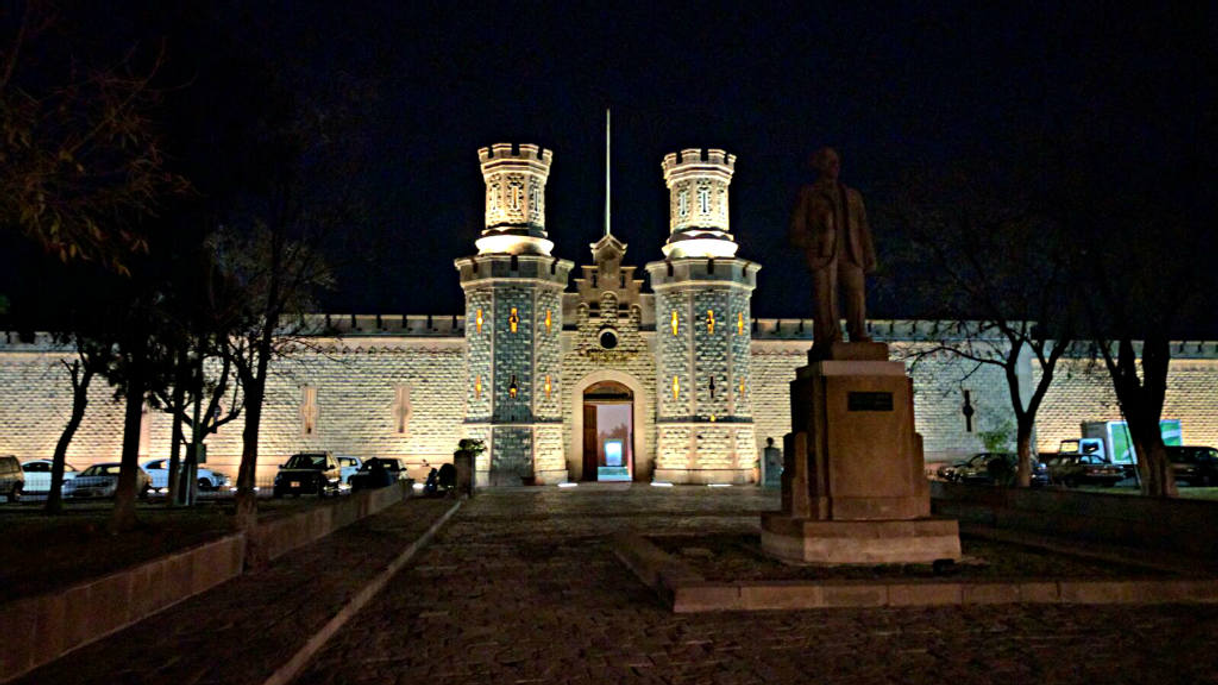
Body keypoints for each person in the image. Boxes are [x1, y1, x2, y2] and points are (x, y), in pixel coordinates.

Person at [789, 147, 876, 357]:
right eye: (830, 162)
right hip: (822, 255)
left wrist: (869, 254)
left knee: (856, 293)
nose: (835, 166)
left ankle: (858, 333)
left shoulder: (852, 196)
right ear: (818, 165)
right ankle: (829, 338)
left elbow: (863, 227)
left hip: (851, 253)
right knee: (825, 297)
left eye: (837, 162)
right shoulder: (808, 194)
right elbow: (796, 231)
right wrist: (816, 241)